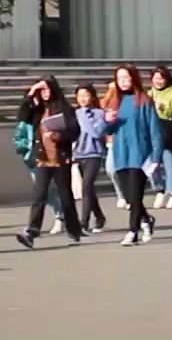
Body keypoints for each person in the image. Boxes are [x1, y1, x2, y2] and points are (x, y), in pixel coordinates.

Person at [16, 77, 83, 248]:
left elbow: (74, 132)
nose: (44, 94)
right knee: (39, 196)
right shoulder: (37, 110)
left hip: (60, 159)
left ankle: (74, 229)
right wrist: (32, 93)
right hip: (42, 159)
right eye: (41, 90)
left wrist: (57, 135)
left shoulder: (65, 109)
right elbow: (22, 115)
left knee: (65, 195)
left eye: (46, 89)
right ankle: (32, 231)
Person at [102, 65, 160, 245]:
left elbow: (155, 130)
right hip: (121, 154)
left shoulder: (143, 100)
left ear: (134, 78)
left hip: (140, 154)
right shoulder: (115, 102)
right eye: (119, 79)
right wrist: (108, 121)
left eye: (126, 78)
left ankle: (132, 231)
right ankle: (146, 219)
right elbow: (107, 129)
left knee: (136, 194)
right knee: (129, 197)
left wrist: (156, 157)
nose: (123, 82)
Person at [71, 84, 110, 234]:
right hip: (79, 154)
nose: (82, 99)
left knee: (86, 186)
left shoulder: (99, 114)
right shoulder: (74, 114)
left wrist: (84, 114)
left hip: (94, 153)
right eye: (80, 95)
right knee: (89, 189)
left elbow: (96, 132)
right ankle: (99, 216)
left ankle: (83, 222)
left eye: (86, 95)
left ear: (92, 96)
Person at [146, 67, 172, 208]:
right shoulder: (149, 93)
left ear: (167, 79)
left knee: (170, 163)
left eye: (161, 78)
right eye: (156, 78)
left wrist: (164, 108)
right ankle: (159, 190)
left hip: (169, 129)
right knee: (151, 164)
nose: (158, 81)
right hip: (152, 131)